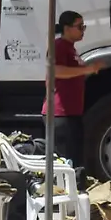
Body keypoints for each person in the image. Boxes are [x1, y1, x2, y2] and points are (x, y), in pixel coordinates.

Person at [43, 10, 99, 191]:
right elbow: (55, 71)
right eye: (79, 26)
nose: (83, 30)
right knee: (65, 160)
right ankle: (64, 199)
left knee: (74, 158)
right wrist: (86, 70)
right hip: (60, 113)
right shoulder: (58, 46)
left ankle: (74, 195)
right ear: (67, 28)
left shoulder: (70, 48)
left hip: (72, 112)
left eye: (84, 26)